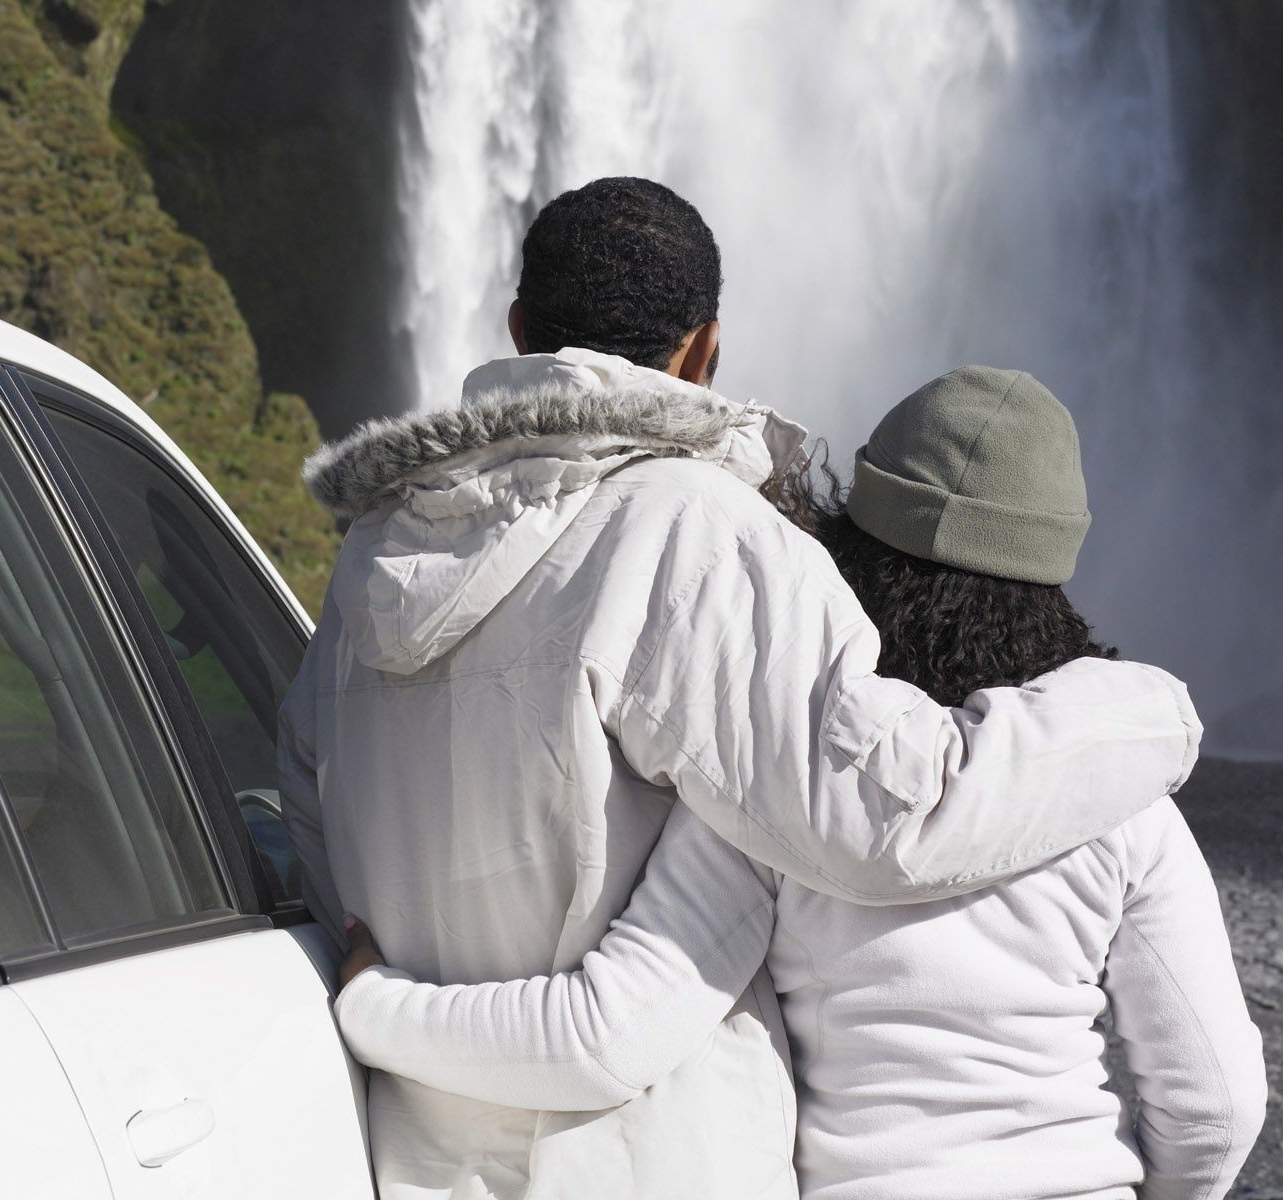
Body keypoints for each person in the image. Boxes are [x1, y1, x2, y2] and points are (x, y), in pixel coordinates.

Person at [279, 178, 1206, 1199]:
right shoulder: (692, 527)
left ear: (515, 329)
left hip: (416, 1159)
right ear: (702, 351)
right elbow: (887, 814)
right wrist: (1152, 713)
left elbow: (320, 847)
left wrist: (383, 1007)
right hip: (648, 1161)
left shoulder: (368, 562)